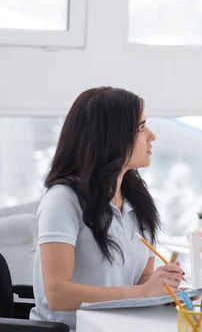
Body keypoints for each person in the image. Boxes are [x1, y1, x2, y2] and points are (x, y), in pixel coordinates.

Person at [30, 87, 184, 330]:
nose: (152, 135)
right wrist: (143, 293)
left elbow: (142, 279)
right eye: (141, 127)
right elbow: (58, 294)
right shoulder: (62, 200)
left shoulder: (138, 200)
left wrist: (161, 290)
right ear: (111, 136)